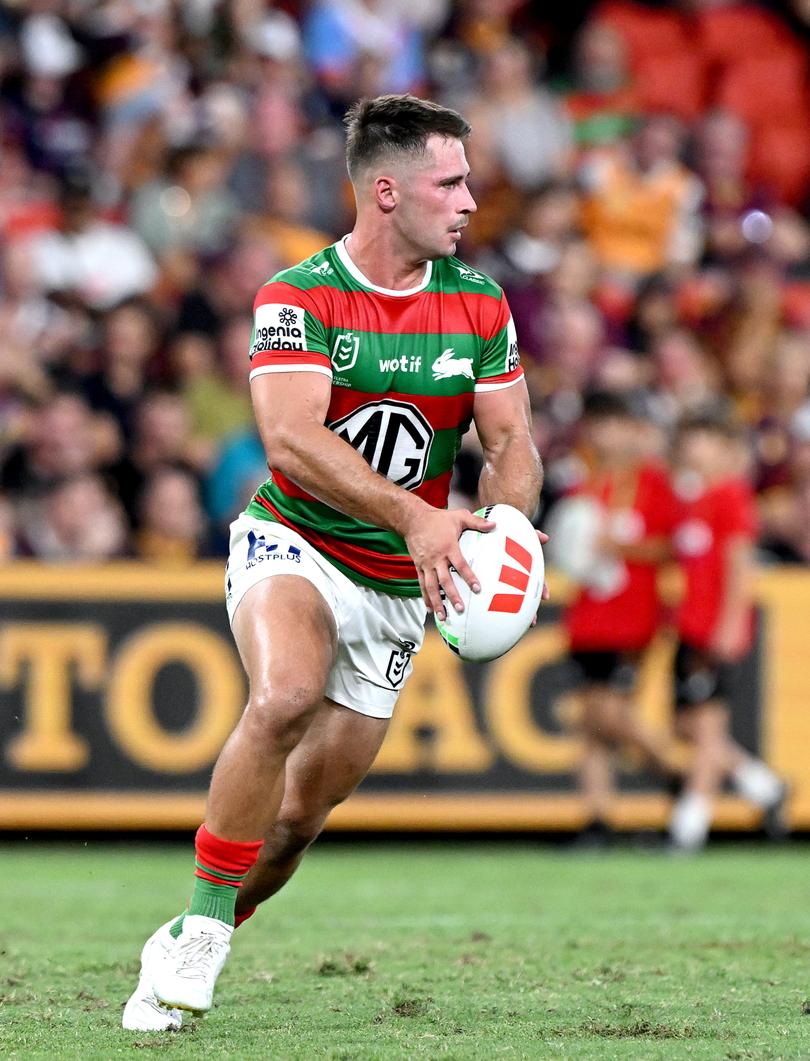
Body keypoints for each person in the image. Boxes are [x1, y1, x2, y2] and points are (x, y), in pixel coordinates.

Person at [123, 93, 545, 1032]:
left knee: (296, 827)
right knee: (283, 696)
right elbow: (288, 438)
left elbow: (513, 437)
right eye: (453, 181)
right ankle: (200, 936)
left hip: (402, 585)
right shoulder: (299, 295)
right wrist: (417, 515)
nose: (473, 199)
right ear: (386, 191)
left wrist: (507, 520)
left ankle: (199, 920)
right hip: (296, 540)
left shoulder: (478, 302)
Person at [554, 391, 678, 845]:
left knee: (610, 713)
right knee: (591, 719)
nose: (605, 435)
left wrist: (619, 548)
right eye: (598, 425)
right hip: (587, 615)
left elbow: (670, 545)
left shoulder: (653, 483)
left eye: (614, 425)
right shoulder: (582, 483)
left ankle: (673, 773)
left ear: (632, 430)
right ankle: (597, 817)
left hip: (632, 616)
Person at [668, 412, 787, 852]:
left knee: (707, 728)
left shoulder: (732, 496)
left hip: (715, 626)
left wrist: (731, 623)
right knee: (686, 726)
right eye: (690, 440)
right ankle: (767, 788)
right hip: (690, 625)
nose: (695, 449)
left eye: (705, 440)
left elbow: (740, 564)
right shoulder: (690, 498)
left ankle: (688, 829)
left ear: (724, 447)